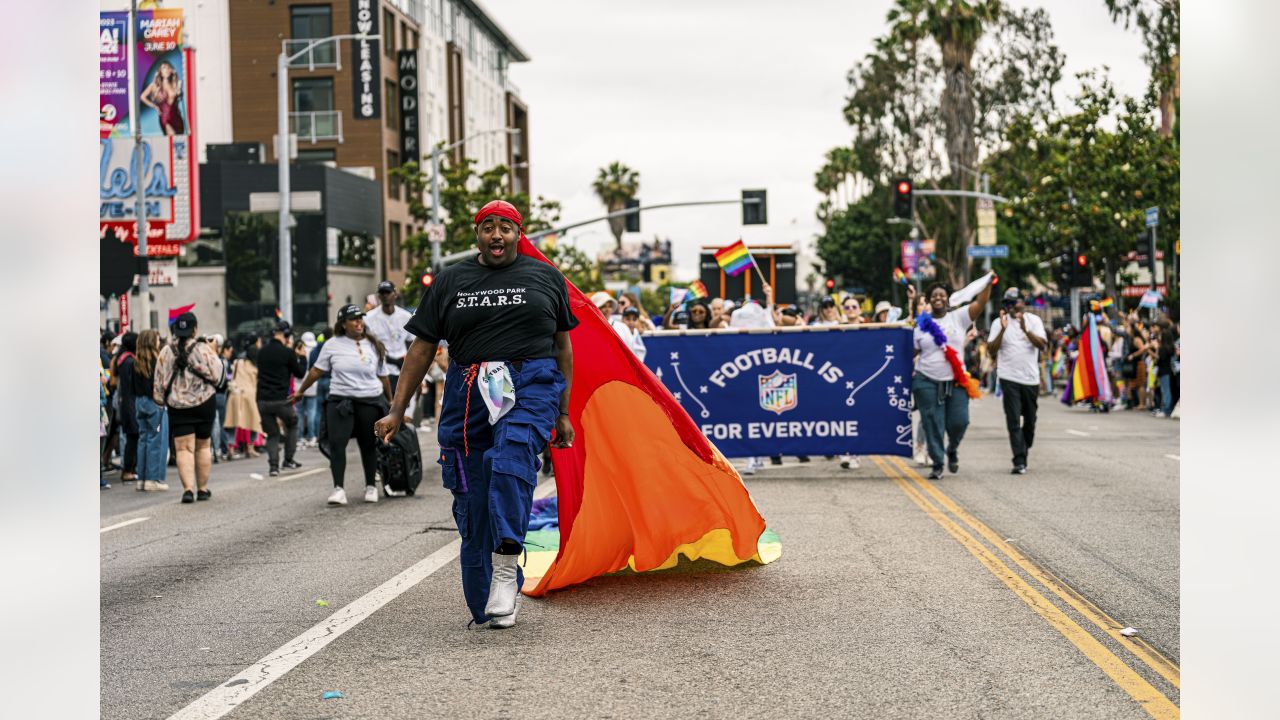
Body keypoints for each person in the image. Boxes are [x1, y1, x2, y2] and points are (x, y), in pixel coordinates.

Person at [375, 199, 576, 631]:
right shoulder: (450, 281)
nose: (497, 235)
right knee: (472, 492)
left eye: (505, 227)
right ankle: (488, 586)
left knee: (509, 462)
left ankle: (506, 567)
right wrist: (397, 409)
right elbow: (422, 349)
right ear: (477, 234)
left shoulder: (546, 277)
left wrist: (562, 412)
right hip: (468, 387)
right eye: (488, 228)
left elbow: (563, 347)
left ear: (519, 233)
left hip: (531, 382)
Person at [291, 305, 392, 506]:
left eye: (360, 319)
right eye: (354, 319)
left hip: (369, 400)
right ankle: (338, 489)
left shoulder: (374, 345)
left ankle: (371, 486)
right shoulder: (332, 344)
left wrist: (392, 402)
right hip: (340, 400)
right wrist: (301, 391)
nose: (358, 322)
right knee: (337, 445)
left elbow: (383, 376)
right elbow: (316, 371)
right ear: (343, 324)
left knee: (368, 444)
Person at [912, 279, 993, 480]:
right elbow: (911, 351)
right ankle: (938, 463)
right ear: (929, 300)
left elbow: (980, 303)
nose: (938, 298)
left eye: (942, 295)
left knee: (960, 422)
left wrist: (988, 283)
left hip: (956, 381)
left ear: (947, 298)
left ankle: (952, 449)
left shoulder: (959, 317)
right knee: (933, 423)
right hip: (927, 380)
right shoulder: (921, 324)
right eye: (934, 296)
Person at [153, 312, 221, 503]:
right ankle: (203, 488)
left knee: (183, 449)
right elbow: (218, 375)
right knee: (203, 446)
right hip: (204, 403)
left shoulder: (166, 352)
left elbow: (158, 382)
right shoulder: (204, 349)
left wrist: (159, 400)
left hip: (178, 406)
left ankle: (188, 490)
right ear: (195, 329)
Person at [987, 288, 1048, 474]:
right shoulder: (999, 323)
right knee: (1013, 419)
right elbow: (991, 350)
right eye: (1010, 303)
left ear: (1023, 302)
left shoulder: (1034, 321)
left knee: (1030, 421)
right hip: (1008, 377)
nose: (1013, 307)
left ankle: (1024, 446)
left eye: (1016, 302)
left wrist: (1025, 330)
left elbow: (1042, 345)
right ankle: (1019, 460)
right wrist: (1003, 330)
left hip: (1030, 379)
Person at [256, 321, 306, 476]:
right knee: (292, 423)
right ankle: (288, 459)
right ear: (286, 335)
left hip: (263, 400)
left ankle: (273, 467)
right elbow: (300, 373)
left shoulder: (262, 351)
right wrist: (302, 357)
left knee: (272, 433)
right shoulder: (287, 353)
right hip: (281, 399)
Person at [131, 330, 170, 491]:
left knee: (143, 440)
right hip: (155, 404)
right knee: (156, 440)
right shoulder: (156, 360)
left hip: (140, 402)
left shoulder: (136, 361)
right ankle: (153, 479)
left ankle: (142, 479)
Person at [365, 281, 416, 401]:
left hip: (402, 369)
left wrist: (410, 363)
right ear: (378, 296)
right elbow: (368, 345)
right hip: (383, 369)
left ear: (395, 294)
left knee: (404, 406)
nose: (385, 296)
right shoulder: (369, 318)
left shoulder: (405, 316)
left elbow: (411, 343)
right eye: (382, 293)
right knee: (386, 405)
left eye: (388, 292)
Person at [224, 337, 263, 458]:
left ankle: (230, 448)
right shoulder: (255, 366)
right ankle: (250, 448)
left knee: (232, 422)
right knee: (254, 422)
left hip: (235, 393)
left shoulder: (238, 362)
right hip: (250, 395)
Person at [140, 60, 185, 135]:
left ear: (171, 70)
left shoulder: (175, 83)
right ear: (160, 72)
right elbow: (142, 97)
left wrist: (175, 75)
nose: (166, 70)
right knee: (171, 139)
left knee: (179, 141)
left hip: (177, 118)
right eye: (164, 68)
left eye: (168, 68)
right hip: (165, 118)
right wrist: (155, 106)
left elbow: (178, 99)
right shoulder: (155, 85)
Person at [298, 331, 321, 445]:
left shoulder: (298, 349)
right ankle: (312, 436)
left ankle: (300, 437)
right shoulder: (316, 350)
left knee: (300, 412)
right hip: (313, 384)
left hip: (299, 386)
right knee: (312, 411)